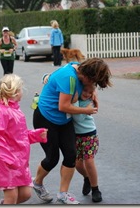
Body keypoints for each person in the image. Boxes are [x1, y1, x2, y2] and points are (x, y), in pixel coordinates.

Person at [32, 58, 112, 204]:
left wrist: (93, 93)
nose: (93, 85)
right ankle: (37, 183)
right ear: (87, 76)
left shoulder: (79, 69)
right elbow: (63, 106)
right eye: (93, 82)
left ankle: (63, 195)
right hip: (45, 118)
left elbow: (81, 87)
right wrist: (85, 110)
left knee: (71, 155)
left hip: (64, 120)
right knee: (52, 158)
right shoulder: (69, 78)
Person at [0, 74, 48, 204]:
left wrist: (36, 135)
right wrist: (8, 159)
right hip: (5, 162)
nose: (22, 92)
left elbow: (19, 135)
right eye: (21, 89)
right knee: (11, 197)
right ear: (16, 92)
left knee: (25, 194)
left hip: (19, 161)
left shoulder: (15, 110)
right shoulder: (1, 112)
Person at [72, 84, 102, 203]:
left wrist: (73, 103)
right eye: (85, 90)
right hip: (76, 136)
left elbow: (78, 119)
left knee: (89, 161)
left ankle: (95, 189)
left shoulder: (89, 103)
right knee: (78, 165)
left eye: (90, 92)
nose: (87, 94)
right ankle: (87, 178)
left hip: (89, 135)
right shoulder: (76, 98)